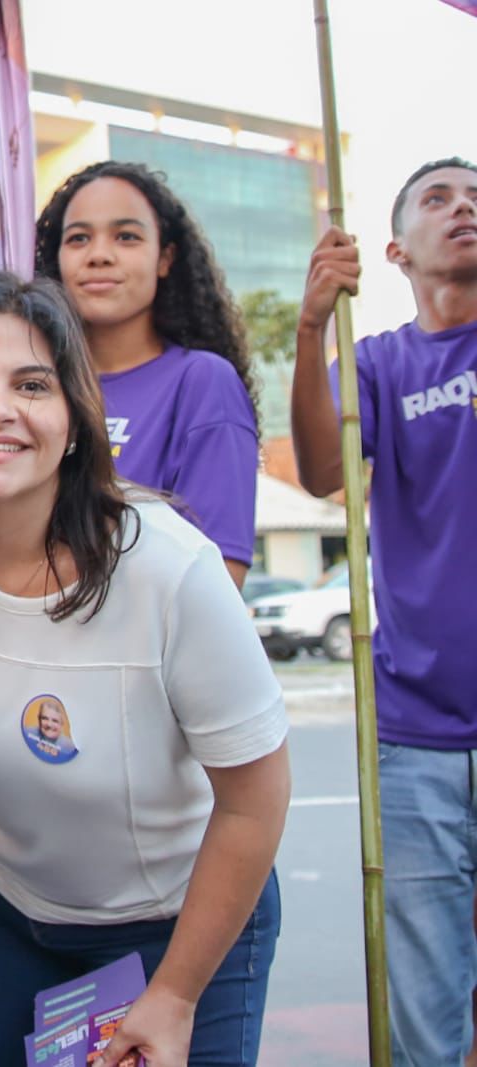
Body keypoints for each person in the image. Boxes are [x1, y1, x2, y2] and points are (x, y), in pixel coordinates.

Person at [0, 273, 289, 1066]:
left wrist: (176, 993)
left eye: (31, 384)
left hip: (184, 922)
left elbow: (255, 801)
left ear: (74, 425)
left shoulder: (169, 570)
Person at [290, 156, 477, 1065]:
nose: (465, 207)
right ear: (396, 249)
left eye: (475, 195)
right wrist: (311, 323)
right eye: (438, 200)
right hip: (415, 730)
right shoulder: (380, 362)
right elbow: (324, 472)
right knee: (427, 1019)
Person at [34, 161, 259, 588]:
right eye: (78, 238)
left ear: (165, 258)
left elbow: (220, 576)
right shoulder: (32, 385)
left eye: (127, 237)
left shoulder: (203, 382)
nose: (99, 254)